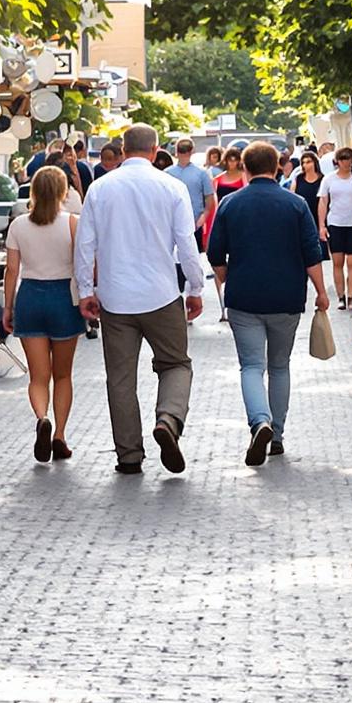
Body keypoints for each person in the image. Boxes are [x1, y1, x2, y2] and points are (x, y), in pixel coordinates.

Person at [73, 124, 207, 475]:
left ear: (121, 149)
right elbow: (186, 245)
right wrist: (195, 288)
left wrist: (86, 290)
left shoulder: (99, 189)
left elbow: (85, 245)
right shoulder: (172, 187)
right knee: (176, 364)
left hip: (115, 299)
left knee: (119, 378)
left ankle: (129, 455)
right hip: (162, 294)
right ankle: (168, 419)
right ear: (155, 149)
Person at [207, 140, 331, 465]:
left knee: (250, 365)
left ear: (244, 168)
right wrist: (321, 291)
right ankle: (276, 434)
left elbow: (215, 252)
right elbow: (312, 252)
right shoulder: (295, 204)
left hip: (244, 297)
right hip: (287, 297)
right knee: (279, 366)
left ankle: (258, 421)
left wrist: (225, 279)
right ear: (278, 167)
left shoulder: (230, 204)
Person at [3, 165, 86, 464]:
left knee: (39, 376)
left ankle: (42, 417)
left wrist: (8, 307)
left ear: (34, 191)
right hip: (64, 299)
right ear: (64, 192)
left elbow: (12, 270)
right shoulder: (73, 224)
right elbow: (83, 266)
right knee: (62, 375)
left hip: (31, 298)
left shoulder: (18, 225)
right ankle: (60, 435)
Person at [319, 146, 352, 307]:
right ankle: (340, 296)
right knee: (337, 261)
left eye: (348, 158)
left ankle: (351, 296)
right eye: (342, 159)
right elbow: (323, 201)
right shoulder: (329, 179)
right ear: (337, 161)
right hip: (336, 223)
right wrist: (322, 225)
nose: (346, 162)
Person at [166, 138, 216, 234]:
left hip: (195, 222)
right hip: (173, 223)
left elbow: (209, 197)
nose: (184, 154)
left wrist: (203, 217)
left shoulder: (202, 173)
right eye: (182, 150)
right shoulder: (167, 173)